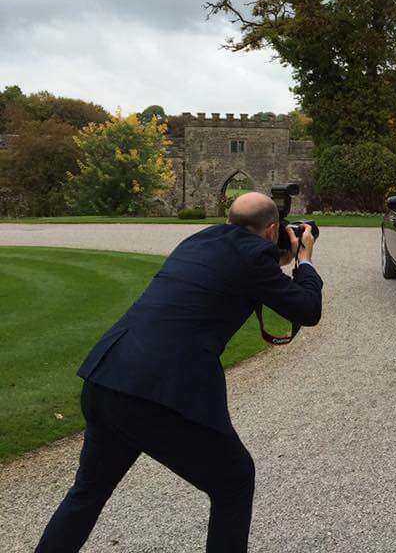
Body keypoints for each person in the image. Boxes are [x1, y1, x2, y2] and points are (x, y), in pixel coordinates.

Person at [35, 192, 323, 553]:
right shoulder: (254, 258)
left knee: (88, 492)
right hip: (158, 392)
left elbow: (235, 271)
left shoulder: (199, 240)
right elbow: (307, 310)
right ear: (271, 230)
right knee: (234, 480)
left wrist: (277, 257)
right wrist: (305, 260)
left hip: (108, 375)